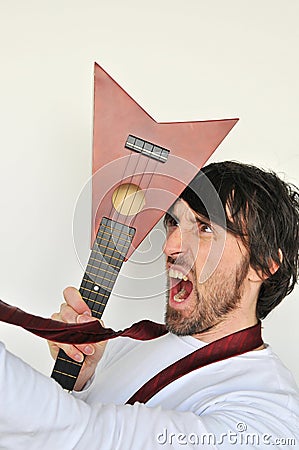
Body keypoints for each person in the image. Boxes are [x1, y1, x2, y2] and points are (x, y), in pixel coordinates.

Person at [0, 161, 299, 449]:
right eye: (173, 222)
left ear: (264, 264)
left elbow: (85, 438)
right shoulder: (129, 345)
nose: (170, 245)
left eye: (205, 228)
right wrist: (84, 381)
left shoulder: (270, 416)